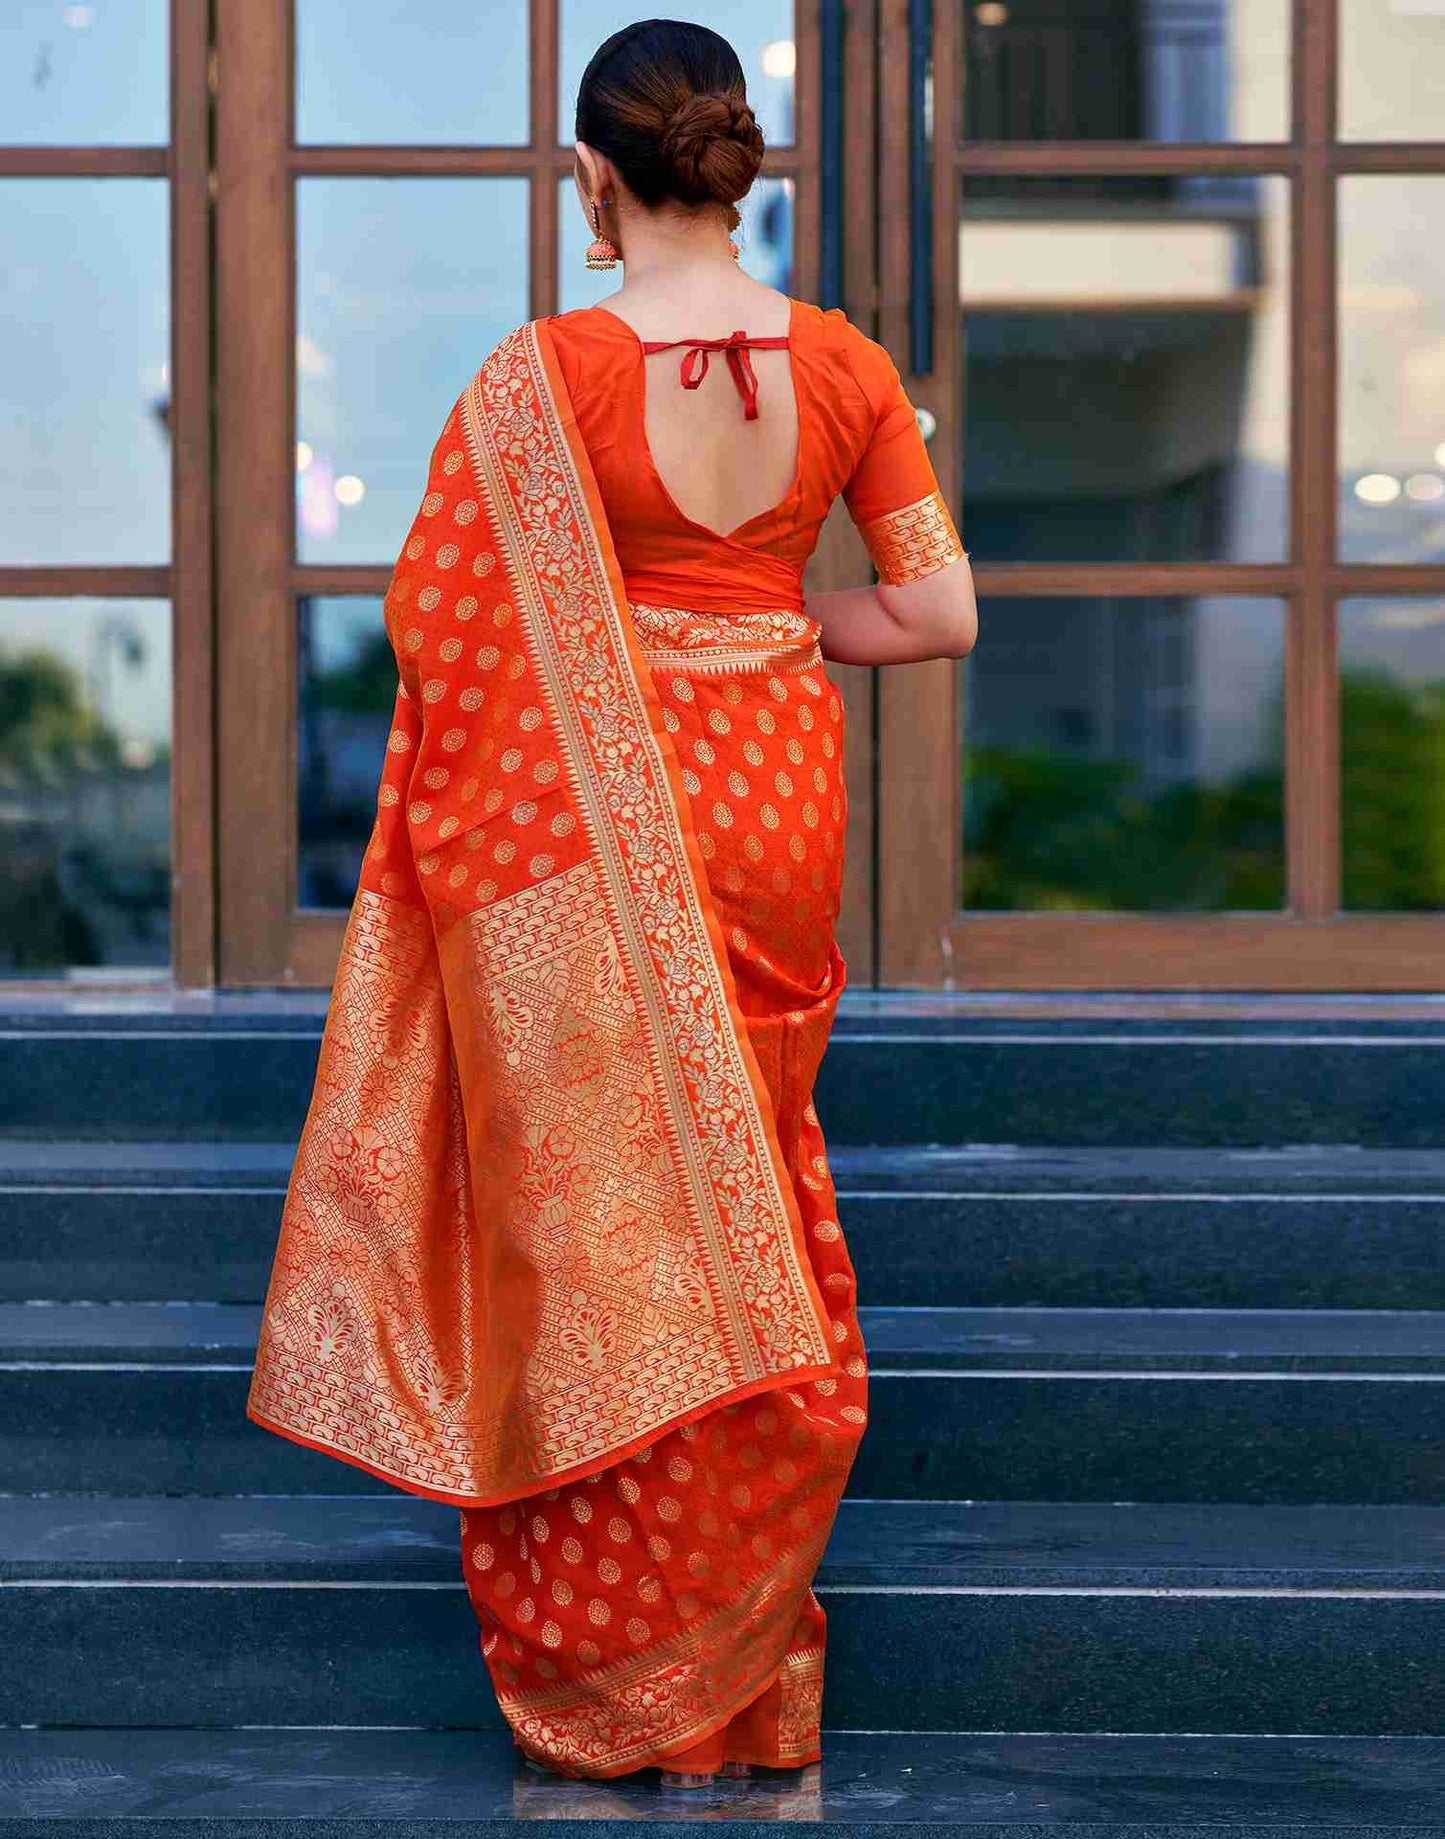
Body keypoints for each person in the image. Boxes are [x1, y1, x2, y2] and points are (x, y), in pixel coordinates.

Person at [246, 14, 976, 1790]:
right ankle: (741, 1673)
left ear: (593, 176)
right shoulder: (845, 366)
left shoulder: (544, 378)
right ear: (735, 166)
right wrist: (775, 632)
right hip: (778, 805)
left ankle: (615, 1664)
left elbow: (443, 628)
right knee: (756, 1189)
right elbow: (937, 615)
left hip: (588, 824)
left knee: (597, 1220)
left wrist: (609, 666)